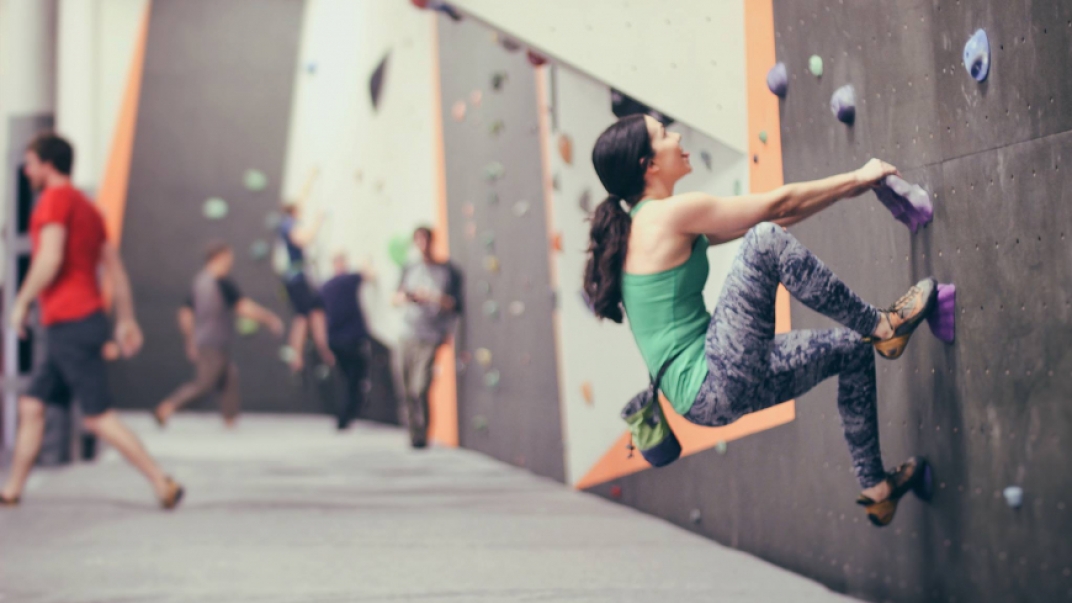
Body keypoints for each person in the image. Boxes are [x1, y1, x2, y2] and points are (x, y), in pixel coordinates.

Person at [584, 115, 938, 527]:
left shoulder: (644, 226)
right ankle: (884, 326)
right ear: (649, 165)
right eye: (664, 134)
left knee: (850, 352)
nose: (677, 135)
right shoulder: (665, 216)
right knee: (763, 241)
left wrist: (849, 190)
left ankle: (877, 490)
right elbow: (772, 215)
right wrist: (857, 176)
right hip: (714, 376)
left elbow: (776, 214)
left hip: (709, 395)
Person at [1, 133, 183, 509]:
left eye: (32, 162)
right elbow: (115, 269)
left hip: (70, 322)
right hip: (77, 323)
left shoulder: (55, 200)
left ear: (48, 165)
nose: (26, 169)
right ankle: (12, 489)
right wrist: (126, 319)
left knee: (98, 417)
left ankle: (160, 480)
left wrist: (21, 302)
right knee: (32, 405)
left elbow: (49, 259)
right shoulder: (88, 208)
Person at [154, 242, 283, 427]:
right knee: (204, 383)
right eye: (229, 257)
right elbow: (244, 307)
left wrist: (190, 339)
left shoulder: (199, 281)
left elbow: (185, 314)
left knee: (229, 377)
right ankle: (166, 408)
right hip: (213, 342)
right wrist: (269, 318)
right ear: (219, 258)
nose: (231, 261)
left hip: (206, 340)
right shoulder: (222, 282)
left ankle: (230, 419)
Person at [393, 227, 461, 449]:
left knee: (420, 386)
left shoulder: (447, 270)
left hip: (430, 335)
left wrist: (432, 297)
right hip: (407, 334)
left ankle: (425, 431)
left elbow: (455, 305)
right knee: (405, 388)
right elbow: (395, 297)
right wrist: (409, 297)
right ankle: (414, 434)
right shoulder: (409, 268)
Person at [276, 168, 333, 372]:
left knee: (314, 312)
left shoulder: (289, 220)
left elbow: (302, 196)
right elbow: (303, 239)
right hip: (296, 278)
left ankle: (322, 350)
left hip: (300, 277)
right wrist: (319, 221)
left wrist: (310, 177)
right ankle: (299, 355)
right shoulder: (289, 224)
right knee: (304, 315)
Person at [320, 252, 374, 430]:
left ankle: (346, 415)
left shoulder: (325, 287)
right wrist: (367, 261)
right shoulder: (348, 280)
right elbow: (367, 274)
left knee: (347, 379)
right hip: (352, 339)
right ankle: (347, 415)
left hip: (335, 340)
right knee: (355, 379)